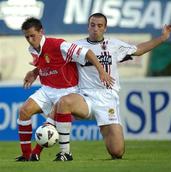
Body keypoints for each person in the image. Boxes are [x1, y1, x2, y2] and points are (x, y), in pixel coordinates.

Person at [51, 13, 171, 160]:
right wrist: (35, 71)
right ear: (88, 26)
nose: (95, 29)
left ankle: (104, 126)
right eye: (92, 25)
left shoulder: (114, 45)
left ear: (105, 28)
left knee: (117, 152)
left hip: (107, 98)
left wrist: (163, 37)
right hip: (85, 96)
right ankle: (65, 153)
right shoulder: (77, 46)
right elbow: (54, 58)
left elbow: (139, 49)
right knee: (64, 102)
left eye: (99, 26)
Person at [16, 17, 114, 162]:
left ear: (41, 32)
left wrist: (102, 71)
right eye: (27, 37)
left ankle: (62, 153)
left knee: (49, 125)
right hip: (47, 89)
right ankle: (26, 155)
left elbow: (87, 53)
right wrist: (34, 73)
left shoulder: (59, 45)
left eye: (33, 35)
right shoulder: (33, 49)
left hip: (67, 90)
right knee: (24, 111)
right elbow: (48, 63)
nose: (30, 39)